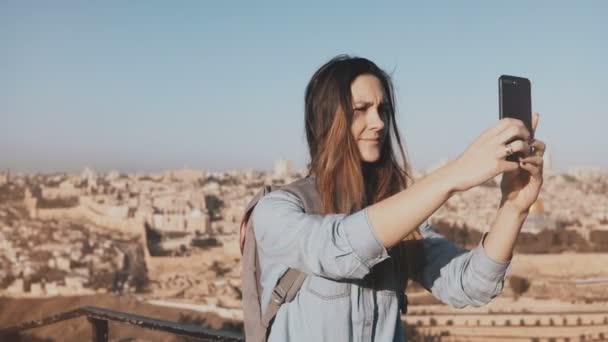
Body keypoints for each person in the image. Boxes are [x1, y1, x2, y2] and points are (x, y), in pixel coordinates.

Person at [251, 55, 545, 341]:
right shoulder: (277, 211)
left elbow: (469, 285)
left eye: (383, 110)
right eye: (361, 109)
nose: (378, 122)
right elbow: (338, 250)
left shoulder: (395, 213)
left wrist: (515, 206)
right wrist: (455, 174)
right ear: (326, 121)